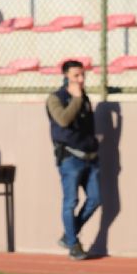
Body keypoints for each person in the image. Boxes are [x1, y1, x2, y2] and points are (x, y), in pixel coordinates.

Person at [47, 59, 100, 261]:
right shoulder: (55, 98)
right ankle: (74, 245)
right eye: (76, 75)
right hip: (70, 158)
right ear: (66, 76)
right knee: (71, 202)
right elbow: (63, 120)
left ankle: (69, 236)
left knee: (96, 198)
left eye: (82, 75)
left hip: (90, 157)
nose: (81, 79)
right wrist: (76, 99)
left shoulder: (84, 98)